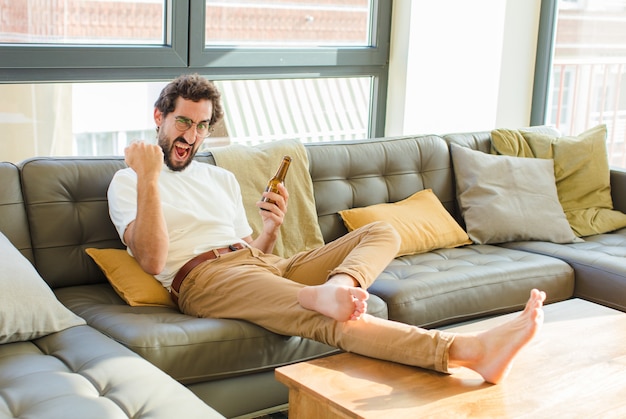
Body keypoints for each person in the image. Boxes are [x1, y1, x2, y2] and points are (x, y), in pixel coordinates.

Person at [108, 73, 546, 385]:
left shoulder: (218, 177)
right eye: (183, 121)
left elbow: (248, 249)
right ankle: (465, 352)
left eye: (202, 126)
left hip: (261, 263)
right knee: (327, 319)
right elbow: (152, 259)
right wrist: (149, 175)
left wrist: (270, 229)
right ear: (159, 117)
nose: (192, 135)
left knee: (381, 232)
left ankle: (337, 286)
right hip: (204, 280)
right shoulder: (129, 182)